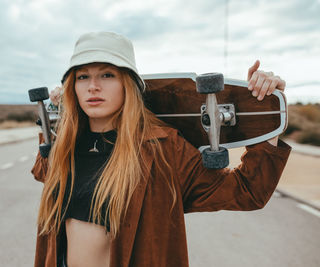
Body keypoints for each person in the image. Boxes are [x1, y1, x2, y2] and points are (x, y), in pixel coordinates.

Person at [31, 31, 291, 267]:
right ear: (72, 87)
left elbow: (247, 191)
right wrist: (58, 114)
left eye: (107, 74)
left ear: (128, 84)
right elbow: (41, 170)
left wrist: (263, 113)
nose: (93, 86)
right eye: (82, 77)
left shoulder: (162, 148)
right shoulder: (65, 147)